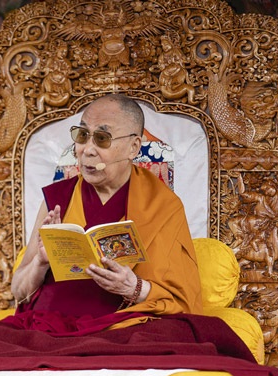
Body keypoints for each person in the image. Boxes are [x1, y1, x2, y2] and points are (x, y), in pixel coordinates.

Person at [11, 93, 202, 328]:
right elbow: (19, 291)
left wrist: (134, 288)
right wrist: (40, 262)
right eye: (82, 135)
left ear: (133, 147)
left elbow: (183, 300)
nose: (87, 150)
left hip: (124, 326)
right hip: (48, 325)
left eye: (102, 138)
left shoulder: (163, 205)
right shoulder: (58, 198)